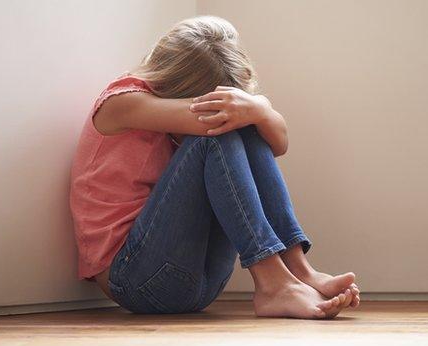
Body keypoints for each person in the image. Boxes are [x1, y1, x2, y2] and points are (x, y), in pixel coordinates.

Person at [69, 16, 360, 319]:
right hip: (135, 278)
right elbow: (222, 125)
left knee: (248, 126)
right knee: (216, 135)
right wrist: (257, 104)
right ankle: (274, 284)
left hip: (200, 278)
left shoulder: (170, 108)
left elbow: (279, 143)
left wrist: (258, 110)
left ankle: (297, 270)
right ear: (176, 89)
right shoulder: (123, 103)